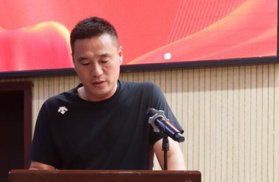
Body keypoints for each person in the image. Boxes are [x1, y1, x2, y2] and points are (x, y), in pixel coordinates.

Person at [29, 17, 186, 171]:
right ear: (74, 63)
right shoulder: (54, 109)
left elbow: (171, 155)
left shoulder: (146, 97)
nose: (97, 72)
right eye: (85, 63)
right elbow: (40, 169)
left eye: (104, 61)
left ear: (120, 55)